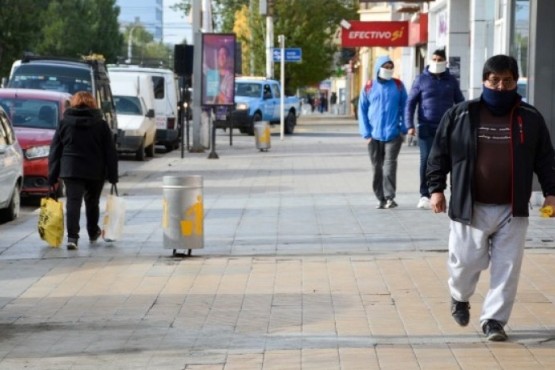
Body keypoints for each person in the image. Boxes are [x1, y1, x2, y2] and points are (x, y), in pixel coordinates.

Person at [427, 54, 555, 342]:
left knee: (507, 268)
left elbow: (546, 159)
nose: (500, 86)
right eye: (494, 80)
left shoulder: (530, 117)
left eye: (507, 81)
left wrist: (551, 193)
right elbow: (439, 154)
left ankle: (494, 321)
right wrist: (435, 189)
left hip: (513, 209)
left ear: (515, 82)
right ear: (484, 81)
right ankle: (459, 296)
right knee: (465, 263)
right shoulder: (461, 114)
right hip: (469, 207)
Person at [48, 91, 119, 250]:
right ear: (93, 104)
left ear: (74, 103)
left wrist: (52, 176)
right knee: (92, 202)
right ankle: (93, 232)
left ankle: (72, 237)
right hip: (95, 170)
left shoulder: (64, 123)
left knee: (73, 203)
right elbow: (110, 152)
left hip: (71, 169)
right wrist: (113, 176)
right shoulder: (101, 124)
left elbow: (55, 150)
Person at [405, 48, 465, 210]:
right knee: (427, 160)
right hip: (426, 127)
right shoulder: (421, 80)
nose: (436, 62)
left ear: (445, 62)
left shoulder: (451, 80)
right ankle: (425, 194)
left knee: (449, 161)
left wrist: (463, 121)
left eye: (439, 59)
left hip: (447, 128)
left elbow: (460, 102)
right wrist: (409, 125)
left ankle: (444, 191)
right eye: (434, 59)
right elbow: (410, 103)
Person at [358, 55, 408, 209]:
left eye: (390, 67)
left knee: (389, 166)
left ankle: (389, 197)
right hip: (373, 136)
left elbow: (406, 107)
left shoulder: (398, 86)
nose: (388, 70)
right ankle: (380, 197)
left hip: (393, 134)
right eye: (385, 67)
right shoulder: (369, 87)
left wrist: (403, 129)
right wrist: (366, 133)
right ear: (378, 68)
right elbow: (362, 110)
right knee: (377, 168)